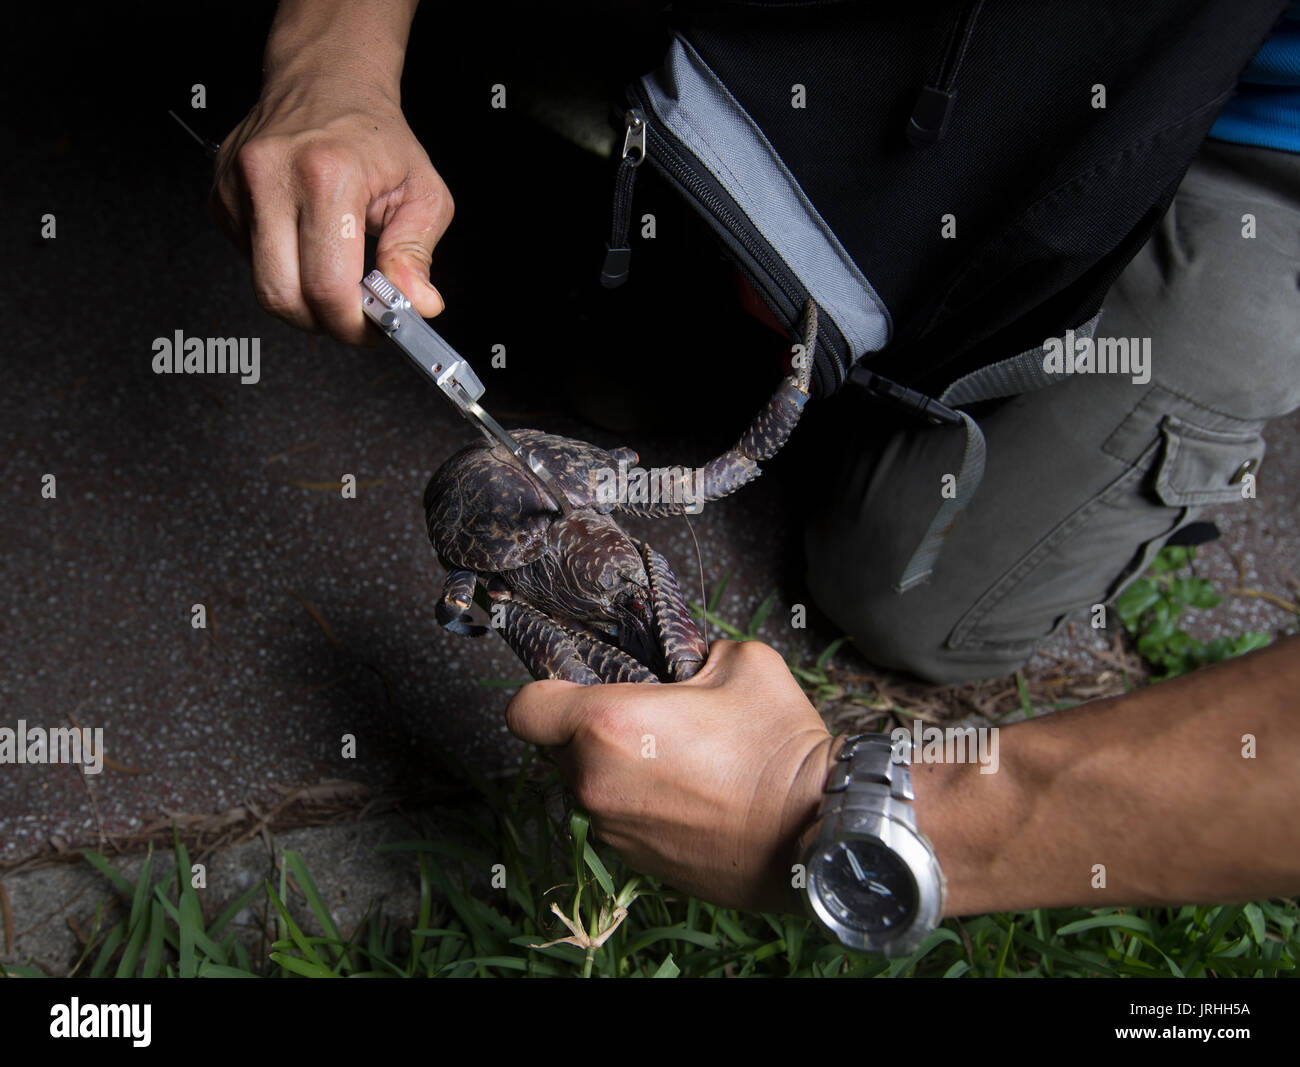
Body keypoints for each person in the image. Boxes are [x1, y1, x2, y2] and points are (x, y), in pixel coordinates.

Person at [212, 0, 1300, 930]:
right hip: (931, 55)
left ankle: (870, 362)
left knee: (910, 598)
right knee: (620, 360)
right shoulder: (531, 545)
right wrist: (332, 59)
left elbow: (704, 480)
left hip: (1250, 143)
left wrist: (845, 814)